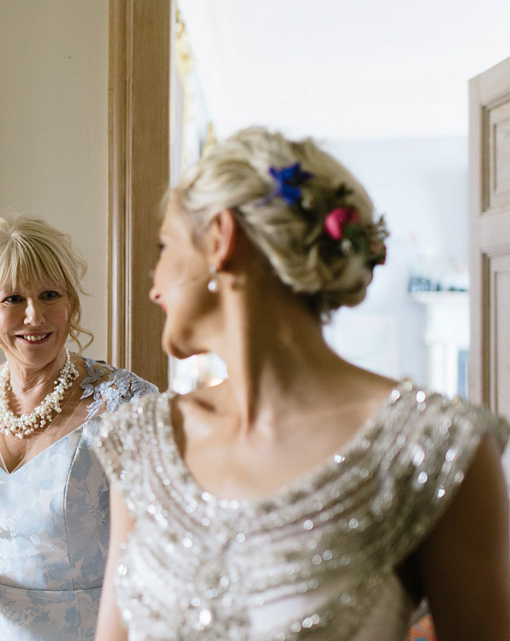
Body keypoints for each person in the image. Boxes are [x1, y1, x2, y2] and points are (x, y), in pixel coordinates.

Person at [92, 127, 510, 641]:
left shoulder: (434, 446)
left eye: (164, 245)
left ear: (221, 239)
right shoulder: (140, 440)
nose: (153, 284)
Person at [0, 215, 157, 641]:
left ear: (71, 303)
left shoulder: (126, 404)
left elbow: (159, 546)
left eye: (50, 295)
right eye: (13, 298)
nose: (34, 316)